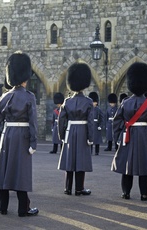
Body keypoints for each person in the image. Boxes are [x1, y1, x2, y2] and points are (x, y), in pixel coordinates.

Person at [0, 51, 39, 217]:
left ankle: (2, 207)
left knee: (4, 171)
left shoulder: (4, 97)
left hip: (6, 135)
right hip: (23, 136)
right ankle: (23, 209)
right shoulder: (29, 97)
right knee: (21, 173)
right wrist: (33, 142)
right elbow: (33, 122)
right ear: (25, 78)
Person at [111, 62, 147, 201]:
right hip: (143, 136)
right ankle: (145, 194)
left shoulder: (125, 102)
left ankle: (126, 192)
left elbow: (117, 121)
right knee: (144, 166)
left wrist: (117, 138)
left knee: (127, 164)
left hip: (128, 135)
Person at [57, 62, 93, 196]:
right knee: (80, 160)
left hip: (70, 132)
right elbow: (90, 122)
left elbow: (61, 121)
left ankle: (67, 188)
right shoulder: (88, 101)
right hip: (83, 131)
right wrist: (91, 137)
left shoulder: (67, 101)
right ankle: (79, 188)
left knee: (69, 159)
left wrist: (61, 136)